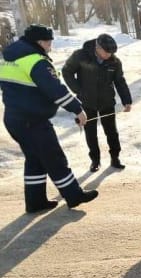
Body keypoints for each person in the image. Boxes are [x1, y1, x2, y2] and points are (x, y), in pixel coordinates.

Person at [0, 24, 99, 213]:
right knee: (54, 158)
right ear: (38, 42)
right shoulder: (35, 61)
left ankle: (35, 201)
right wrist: (78, 109)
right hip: (32, 122)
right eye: (47, 42)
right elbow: (56, 90)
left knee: (35, 159)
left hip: (14, 119)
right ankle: (74, 195)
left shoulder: (9, 58)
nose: (50, 46)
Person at [62, 34, 132, 172]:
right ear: (98, 47)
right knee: (91, 132)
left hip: (107, 101)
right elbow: (67, 71)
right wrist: (78, 91)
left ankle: (115, 157)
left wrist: (127, 100)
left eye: (111, 52)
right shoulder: (80, 56)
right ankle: (95, 160)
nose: (109, 55)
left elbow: (120, 81)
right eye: (107, 52)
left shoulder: (114, 62)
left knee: (112, 131)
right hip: (87, 102)